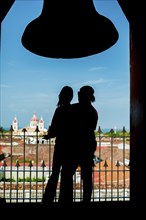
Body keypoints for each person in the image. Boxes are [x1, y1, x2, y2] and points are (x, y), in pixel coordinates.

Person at [58, 85, 98, 204]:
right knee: (86, 177)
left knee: (66, 175)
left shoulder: (74, 109)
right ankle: (86, 201)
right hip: (87, 147)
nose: (78, 95)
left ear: (83, 95)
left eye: (80, 93)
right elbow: (92, 128)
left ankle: (66, 201)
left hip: (73, 147)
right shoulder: (93, 111)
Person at [41, 86, 73, 204]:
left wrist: (49, 135)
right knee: (67, 175)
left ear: (62, 96)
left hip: (60, 146)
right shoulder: (74, 111)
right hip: (71, 147)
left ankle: (48, 200)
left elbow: (54, 131)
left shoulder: (59, 111)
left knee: (55, 174)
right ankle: (65, 201)